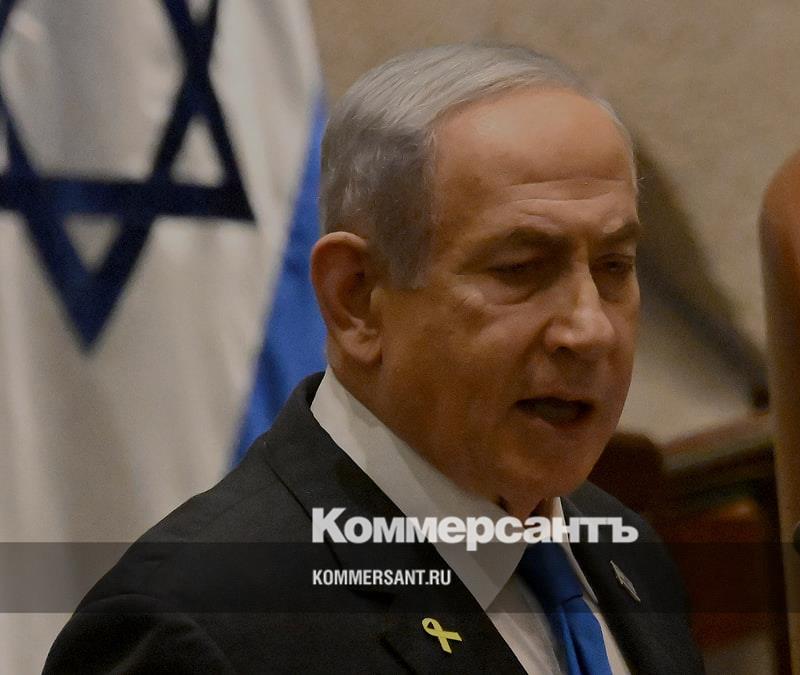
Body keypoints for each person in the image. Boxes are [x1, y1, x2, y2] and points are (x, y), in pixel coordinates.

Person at [44, 44, 704, 674]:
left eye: (614, 265)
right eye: (521, 268)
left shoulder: (627, 552)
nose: (589, 329)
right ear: (355, 298)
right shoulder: (195, 629)